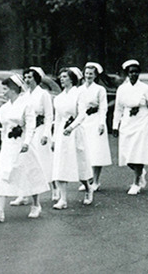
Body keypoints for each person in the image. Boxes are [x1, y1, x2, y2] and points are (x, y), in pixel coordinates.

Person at [0, 74, 47, 221]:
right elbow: (4, 128)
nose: (3, 92)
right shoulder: (4, 108)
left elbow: (31, 125)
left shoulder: (26, 104)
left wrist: (26, 143)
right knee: (3, 175)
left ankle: (36, 204)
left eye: (5, 89)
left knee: (29, 173)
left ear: (13, 89)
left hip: (23, 144)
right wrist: (2, 144)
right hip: (8, 145)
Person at [112, 60, 148, 195]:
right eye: (131, 72)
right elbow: (118, 109)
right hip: (127, 123)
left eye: (136, 72)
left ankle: (136, 182)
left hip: (142, 123)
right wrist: (115, 125)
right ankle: (140, 172)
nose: (133, 74)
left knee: (138, 153)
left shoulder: (146, 89)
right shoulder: (122, 89)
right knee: (127, 155)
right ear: (127, 73)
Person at [11, 67, 55, 205]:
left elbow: (49, 116)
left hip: (40, 131)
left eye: (30, 77)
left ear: (36, 78)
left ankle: (55, 190)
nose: (27, 80)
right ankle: (22, 194)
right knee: (24, 163)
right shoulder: (23, 96)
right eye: (25, 77)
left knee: (44, 162)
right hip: (27, 133)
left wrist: (47, 134)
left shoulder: (44, 94)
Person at [51, 68, 93, 209]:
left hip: (75, 132)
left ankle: (88, 188)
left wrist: (71, 127)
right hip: (62, 134)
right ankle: (63, 199)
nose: (61, 79)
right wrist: (54, 138)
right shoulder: (58, 98)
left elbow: (82, 114)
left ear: (72, 78)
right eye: (60, 76)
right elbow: (57, 120)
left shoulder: (79, 93)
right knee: (60, 165)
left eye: (64, 76)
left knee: (79, 163)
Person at [76, 62, 112, 189]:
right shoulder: (79, 90)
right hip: (83, 121)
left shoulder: (100, 89)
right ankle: (87, 180)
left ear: (96, 75)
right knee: (85, 152)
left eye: (91, 74)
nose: (88, 76)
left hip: (96, 120)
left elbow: (103, 108)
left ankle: (95, 181)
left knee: (96, 151)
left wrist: (102, 123)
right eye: (86, 73)